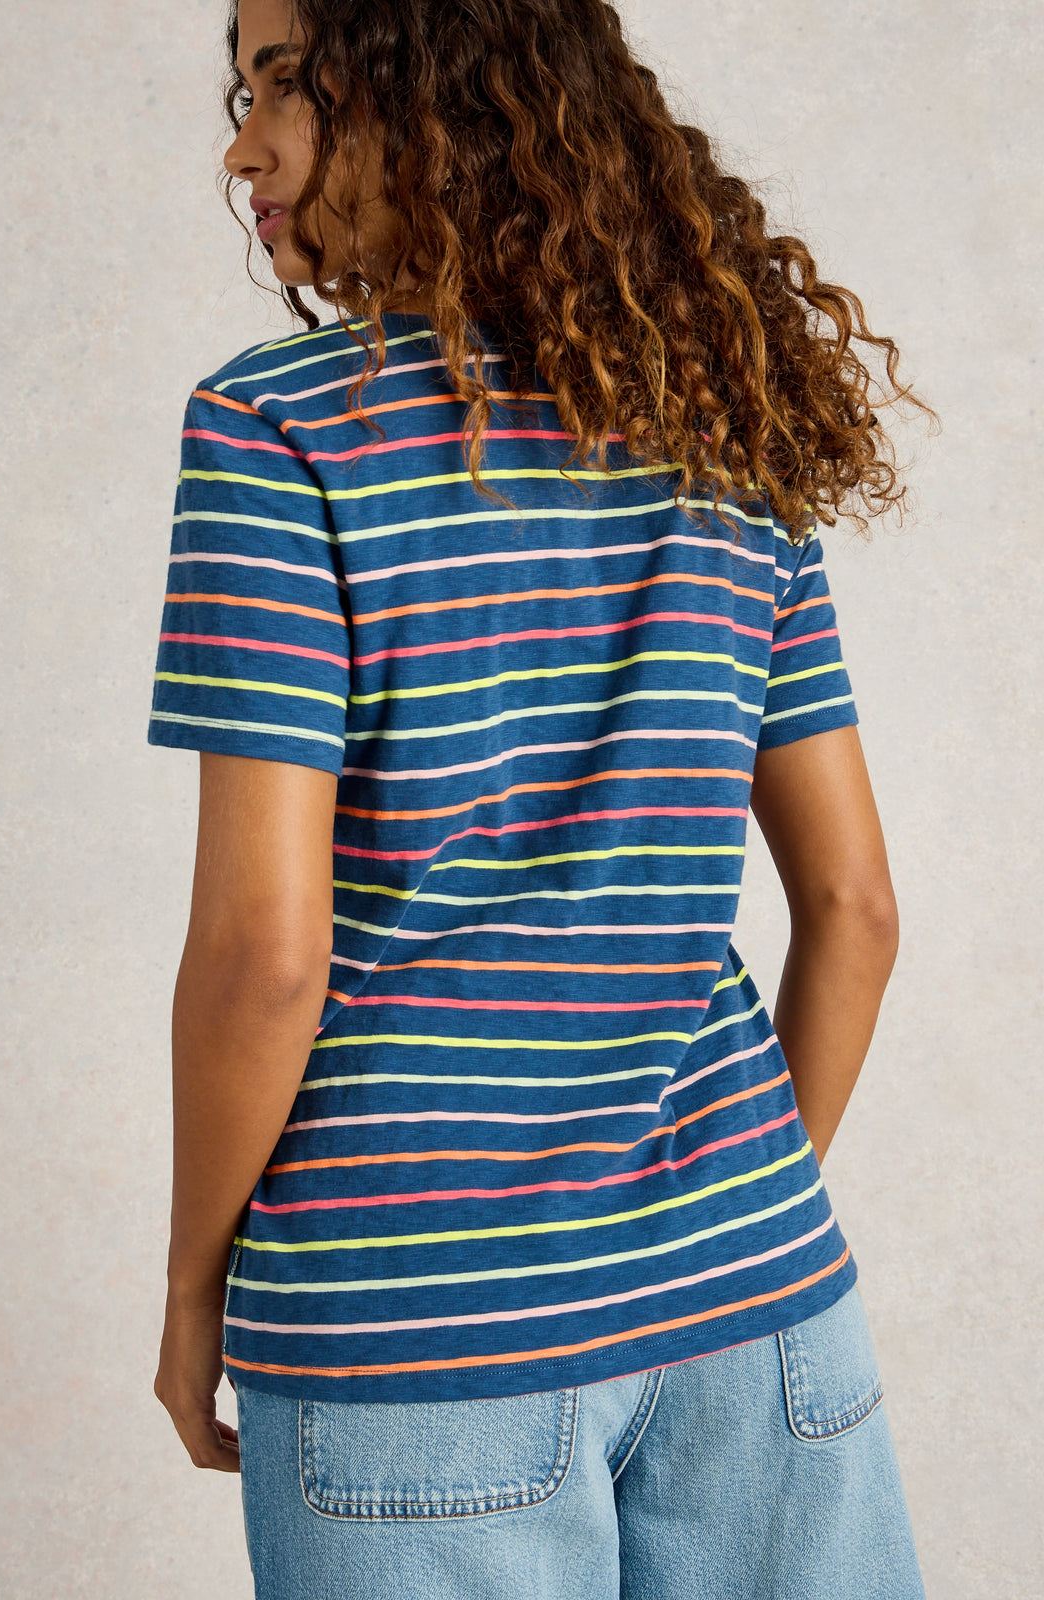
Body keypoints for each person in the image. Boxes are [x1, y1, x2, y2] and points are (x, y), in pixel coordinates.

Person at [149, 1, 936, 1594]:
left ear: (435, 96)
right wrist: (715, 1232)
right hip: (763, 1311)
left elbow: (265, 957)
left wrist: (192, 1290)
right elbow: (855, 910)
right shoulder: (720, 420)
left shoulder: (279, 432)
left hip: (416, 1328)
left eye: (289, 85)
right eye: (245, 95)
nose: (246, 149)